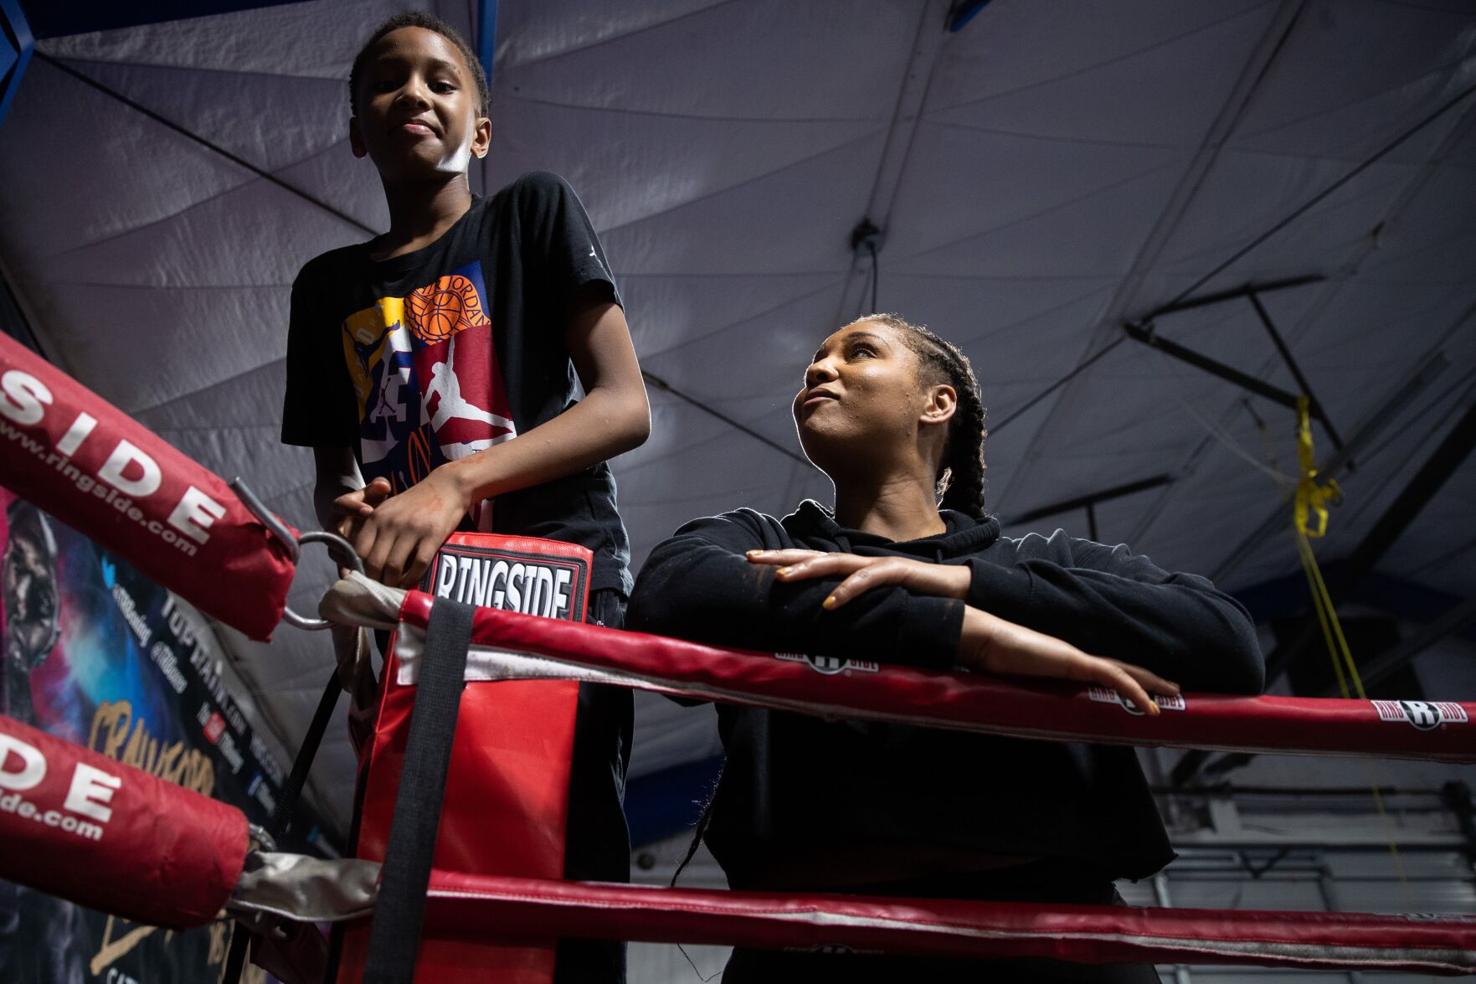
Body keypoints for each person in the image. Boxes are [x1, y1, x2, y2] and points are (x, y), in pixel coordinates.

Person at [628, 313, 1264, 982]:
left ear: (938, 403)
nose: (819, 369)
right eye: (815, 360)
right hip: (817, 942)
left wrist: (966, 584)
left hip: (1053, 942)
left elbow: (1227, 642)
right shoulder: (756, 540)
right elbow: (671, 596)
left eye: (860, 352)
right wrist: (962, 633)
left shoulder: (1045, 561)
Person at [280, 13, 650, 982]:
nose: (415, 94)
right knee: (416, 880)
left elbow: (624, 406)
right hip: (414, 613)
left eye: (443, 82)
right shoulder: (325, 290)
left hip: (553, 580)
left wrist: (454, 481)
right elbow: (339, 481)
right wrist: (353, 647)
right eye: (388, 82)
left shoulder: (530, 213)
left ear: (480, 130)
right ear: (358, 128)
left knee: (564, 862)